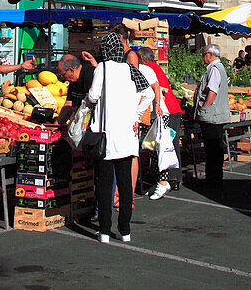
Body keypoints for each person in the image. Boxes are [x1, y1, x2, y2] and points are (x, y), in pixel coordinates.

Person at [87, 32, 153, 244]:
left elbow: (93, 96)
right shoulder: (131, 70)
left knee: (105, 186)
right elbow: (150, 93)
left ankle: (104, 231)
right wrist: (135, 114)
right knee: (125, 186)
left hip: (106, 138)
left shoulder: (102, 69)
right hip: (127, 136)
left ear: (104, 50)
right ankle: (125, 230)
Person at [137, 45, 183, 199]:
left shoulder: (148, 68)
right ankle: (172, 179)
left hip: (166, 110)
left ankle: (168, 180)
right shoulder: (155, 66)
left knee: (165, 146)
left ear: (142, 58)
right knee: (170, 145)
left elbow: (156, 90)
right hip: (172, 109)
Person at [193, 44, 232, 188]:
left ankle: (213, 180)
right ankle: (215, 178)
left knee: (212, 149)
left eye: (204, 54)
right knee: (215, 148)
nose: (203, 57)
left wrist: (205, 107)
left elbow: (212, 91)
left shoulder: (214, 69)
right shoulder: (218, 68)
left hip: (212, 115)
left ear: (210, 55)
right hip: (216, 115)